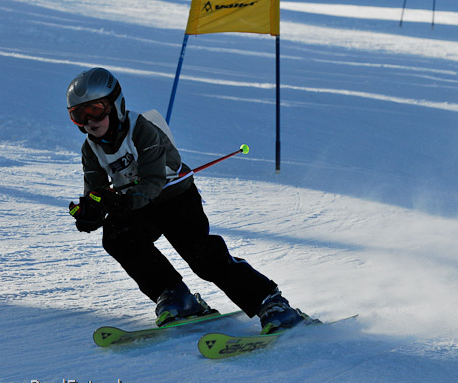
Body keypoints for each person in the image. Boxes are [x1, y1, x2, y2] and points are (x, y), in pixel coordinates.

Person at [66, 67, 315, 334]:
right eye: (79, 115)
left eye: (96, 110)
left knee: (202, 256)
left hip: (175, 198)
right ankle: (175, 296)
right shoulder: (90, 148)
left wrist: (120, 202)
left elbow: (152, 181)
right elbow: (95, 189)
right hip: (138, 205)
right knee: (117, 236)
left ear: (115, 104)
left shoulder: (142, 129)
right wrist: (90, 211)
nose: (89, 121)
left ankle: (271, 302)